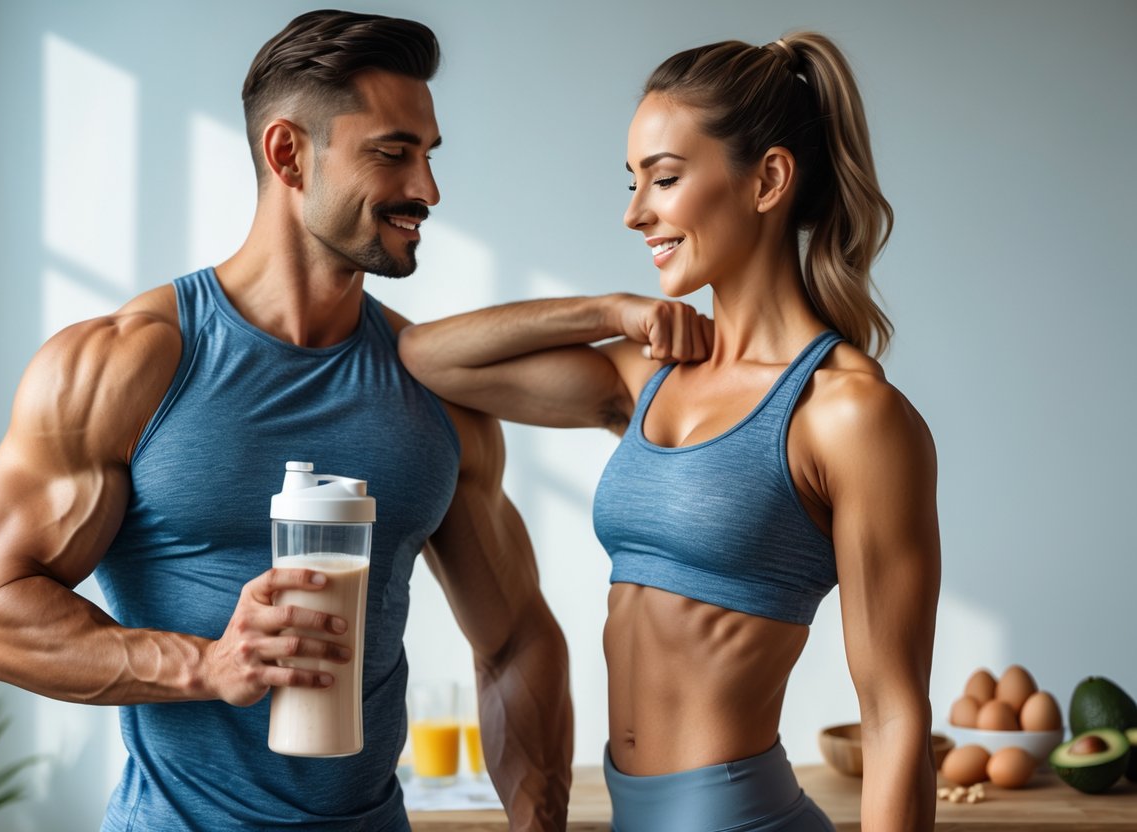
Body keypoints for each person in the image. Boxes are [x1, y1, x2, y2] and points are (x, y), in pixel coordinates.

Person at [0, 10, 572, 831]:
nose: (426, 190)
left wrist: (541, 823)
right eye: (393, 153)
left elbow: (517, 637)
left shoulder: (435, 386)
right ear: (288, 153)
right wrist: (206, 665)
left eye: (427, 156)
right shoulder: (128, 364)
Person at [399, 32, 940, 832]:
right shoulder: (644, 375)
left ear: (768, 180)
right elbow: (428, 357)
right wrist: (608, 311)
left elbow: (894, 718)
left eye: (664, 179)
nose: (634, 212)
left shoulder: (848, 413)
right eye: (632, 183)